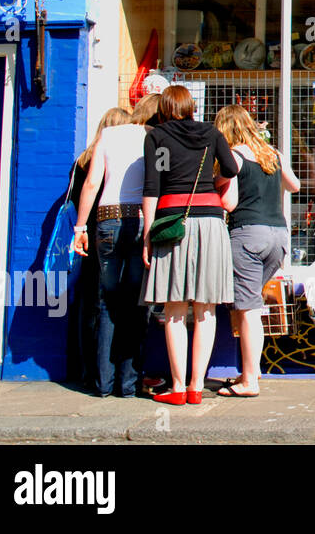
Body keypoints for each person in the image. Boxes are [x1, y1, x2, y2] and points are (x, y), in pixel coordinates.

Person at [142, 85, 240, 406]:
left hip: (173, 223)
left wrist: (146, 234)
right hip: (211, 223)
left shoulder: (157, 137)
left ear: (165, 108)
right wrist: (213, 186)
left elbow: (152, 188)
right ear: (191, 106)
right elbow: (232, 169)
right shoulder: (211, 134)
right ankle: (198, 387)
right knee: (206, 308)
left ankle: (178, 386)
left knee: (173, 309)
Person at [73, 95, 163, 397]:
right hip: (139, 221)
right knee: (137, 305)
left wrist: (80, 227)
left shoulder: (109, 135)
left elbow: (91, 184)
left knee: (106, 302)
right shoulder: (154, 138)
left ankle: (102, 383)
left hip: (106, 221)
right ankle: (128, 384)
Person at [214, 104, 299, 397]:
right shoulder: (272, 153)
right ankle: (253, 371)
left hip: (248, 234)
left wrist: (215, 183)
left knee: (248, 309)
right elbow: (295, 185)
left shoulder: (234, 157)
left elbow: (229, 203)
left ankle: (249, 380)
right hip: (279, 235)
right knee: (251, 304)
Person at [68, 107, 129, 392]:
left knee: (90, 304)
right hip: (107, 231)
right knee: (110, 303)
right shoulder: (114, 157)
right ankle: (110, 372)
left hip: (89, 236)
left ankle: (89, 370)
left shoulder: (82, 159)